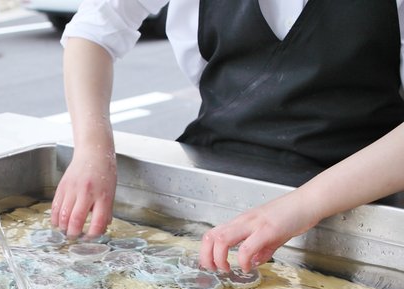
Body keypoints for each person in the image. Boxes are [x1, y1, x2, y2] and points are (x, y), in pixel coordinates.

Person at [50, 0, 404, 272]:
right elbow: (94, 30)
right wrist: (93, 150)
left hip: (364, 190)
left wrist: (305, 204)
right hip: (217, 167)